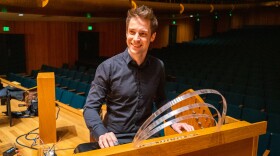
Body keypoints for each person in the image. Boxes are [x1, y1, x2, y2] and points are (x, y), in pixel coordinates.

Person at [83, 5, 194, 149]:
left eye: (142, 34)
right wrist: (102, 133)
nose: (136, 39)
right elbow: (90, 108)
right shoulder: (107, 67)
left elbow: (160, 99)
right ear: (126, 33)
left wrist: (173, 121)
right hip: (114, 138)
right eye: (132, 32)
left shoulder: (158, 66)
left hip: (145, 136)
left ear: (152, 36)